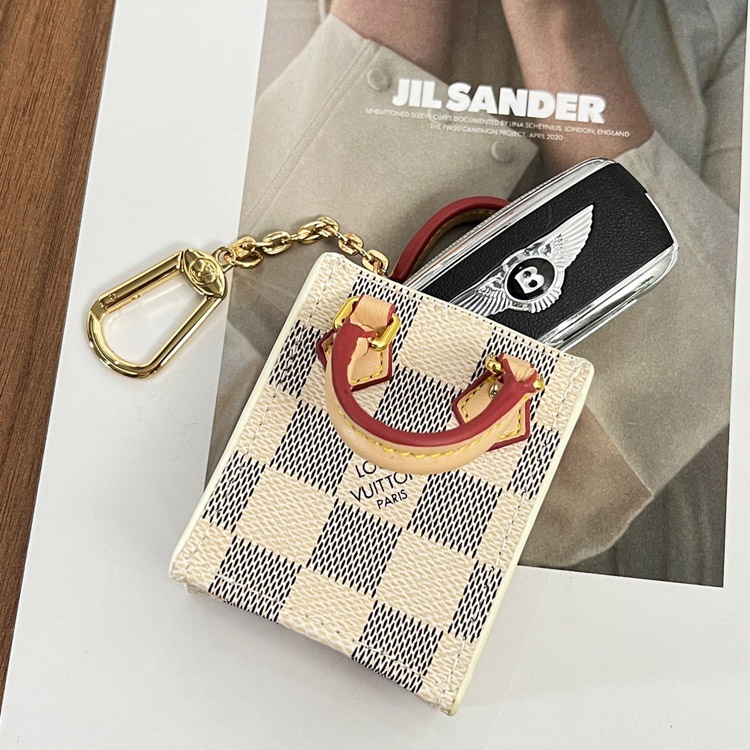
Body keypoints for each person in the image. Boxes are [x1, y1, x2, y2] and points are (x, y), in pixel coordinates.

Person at [209, 0, 746, 584]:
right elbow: (227, 389)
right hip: (255, 554)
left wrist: (558, 25)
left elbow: (600, 465)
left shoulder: (721, 19)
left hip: (548, 601)